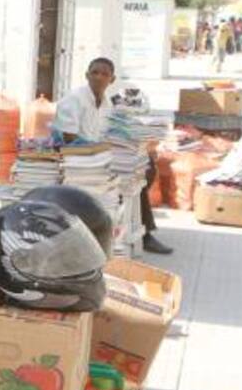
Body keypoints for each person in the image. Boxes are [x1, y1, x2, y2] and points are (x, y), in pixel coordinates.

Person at [52, 57, 173, 255]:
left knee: (142, 167)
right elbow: (68, 136)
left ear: (112, 79)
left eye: (104, 74)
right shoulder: (74, 99)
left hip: (97, 154)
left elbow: (108, 131)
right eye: (95, 73)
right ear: (87, 75)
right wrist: (100, 148)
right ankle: (142, 233)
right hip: (74, 156)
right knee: (131, 174)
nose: (99, 77)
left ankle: (138, 229)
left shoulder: (107, 103)